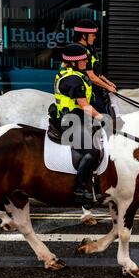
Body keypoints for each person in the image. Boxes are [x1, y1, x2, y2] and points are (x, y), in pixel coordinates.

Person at [51, 43, 104, 207]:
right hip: (70, 121)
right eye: (82, 60)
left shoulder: (72, 73)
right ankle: (80, 189)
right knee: (92, 151)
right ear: (73, 62)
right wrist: (101, 117)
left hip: (78, 118)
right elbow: (83, 104)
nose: (85, 62)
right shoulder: (72, 79)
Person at [73, 19, 118, 117]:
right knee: (104, 114)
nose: (95, 37)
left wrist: (107, 82)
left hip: (93, 87)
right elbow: (91, 77)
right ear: (84, 36)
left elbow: (96, 73)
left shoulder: (90, 49)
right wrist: (107, 87)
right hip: (84, 90)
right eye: (92, 35)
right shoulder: (80, 51)